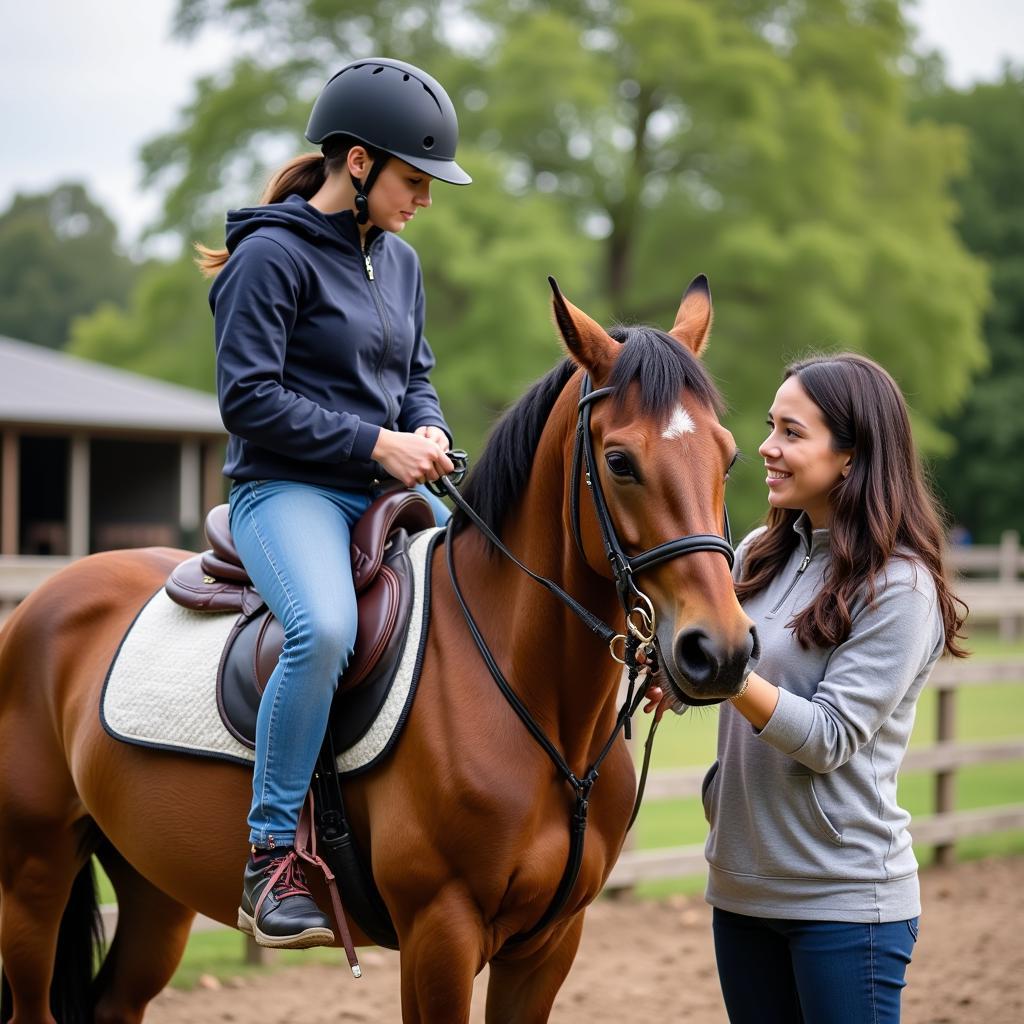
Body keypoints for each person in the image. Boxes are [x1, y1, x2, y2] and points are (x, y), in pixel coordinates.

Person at [197, 57, 471, 950]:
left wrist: (424, 434)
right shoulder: (268, 258)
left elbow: (415, 380)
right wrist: (374, 444)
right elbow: (248, 401)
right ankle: (272, 857)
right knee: (322, 628)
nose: (424, 199)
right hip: (286, 492)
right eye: (413, 180)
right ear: (357, 163)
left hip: (385, 489)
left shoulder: (402, 263)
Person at [648, 353, 967, 1022]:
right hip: (739, 891)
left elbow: (827, 738)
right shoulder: (758, 553)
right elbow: (744, 676)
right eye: (770, 425)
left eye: (792, 432)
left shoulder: (899, 588)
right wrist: (680, 683)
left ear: (852, 455)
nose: (766, 447)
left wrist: (725, 675)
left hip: (845, 907)